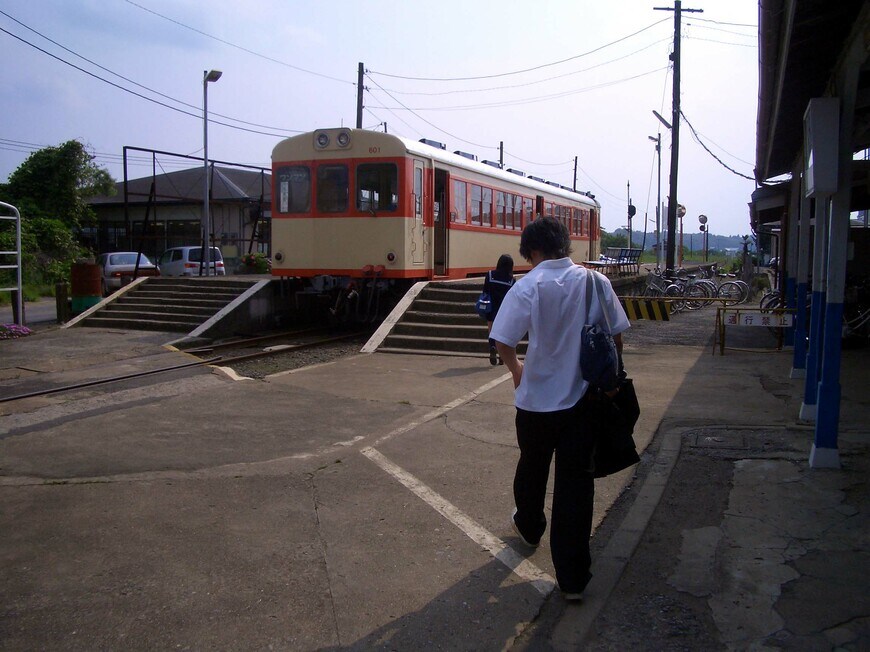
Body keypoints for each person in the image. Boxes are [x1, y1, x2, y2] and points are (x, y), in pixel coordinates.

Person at [490, 217, 630, 600]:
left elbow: (503, 339)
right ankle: (572, 579)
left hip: (535, 403)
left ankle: (531, 525)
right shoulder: (595, 282)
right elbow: (616, 334)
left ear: (531, 251)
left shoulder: (528, 286)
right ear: (565, 246)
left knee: (532, 469)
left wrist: (519, 371)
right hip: (584, 403)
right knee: (576, 486)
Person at [482, 254, 515, 365]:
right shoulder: (511, 280)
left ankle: (492, 346)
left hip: (491, 308)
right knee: (502, 333)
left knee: (491, 329)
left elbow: (485, 291)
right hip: (504, 310)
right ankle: (501, 356)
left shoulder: (490, 275)